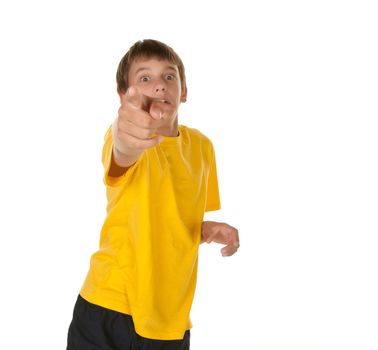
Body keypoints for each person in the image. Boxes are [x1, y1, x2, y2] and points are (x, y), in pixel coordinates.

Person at [66, 39, 240, 350]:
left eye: (169, 77)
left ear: (183, 91)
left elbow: (174, 221)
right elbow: (122, 149)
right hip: (108, 304)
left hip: (169, 320)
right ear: (125, 95)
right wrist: (127, 137)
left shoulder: (202, 148)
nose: (159, 85)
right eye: (145, 78)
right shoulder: (123, 136)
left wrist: (205, 230)